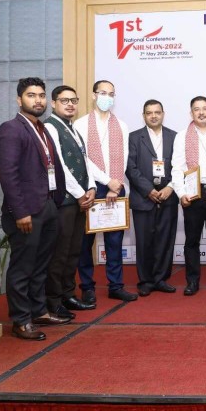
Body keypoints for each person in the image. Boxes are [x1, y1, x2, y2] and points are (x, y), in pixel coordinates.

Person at [0, 77, 70, 341]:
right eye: (31, 95)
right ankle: (20, 320)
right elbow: (8, 174)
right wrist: (20, 212)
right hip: (26, 211)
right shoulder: (11, 129)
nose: (37, 100)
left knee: (41, 266)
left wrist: (56, 201)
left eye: (40, 95)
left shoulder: (42, 129)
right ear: (19, 100)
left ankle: (39, 311)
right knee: (23, 267)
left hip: (48, 205)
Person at [74, 80, 137, 302]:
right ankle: (87, 287)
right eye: (103, 93)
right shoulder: (80, 124)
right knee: (85, 243)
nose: (107, 97)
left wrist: (115, 184)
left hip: (116, 187)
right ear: (93, 95)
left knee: (114, 242)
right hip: (90, 188)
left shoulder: (121, 126)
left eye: (111, 94)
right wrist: (107, 181)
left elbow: (124, 156)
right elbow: (83, 160)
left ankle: (116, 285)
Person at [43, 85, 97, 320]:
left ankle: (68, 294)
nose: (70, 104)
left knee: (74, 250)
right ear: (53, 103)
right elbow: (58, 165)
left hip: (79, 200)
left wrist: (92, 187)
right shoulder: (50, 127)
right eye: (64, 100)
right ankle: (53, 301)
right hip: (64, 201)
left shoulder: (73, 128)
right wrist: (79, 193)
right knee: (60, 253)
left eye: (73, 100)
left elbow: (85, 162)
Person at [170, 96, 206, 296]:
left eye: (205, 109)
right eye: (197, 109)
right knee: (192, 240)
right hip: (193, 193)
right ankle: (192, 281)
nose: (201, 112)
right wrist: (181, 193)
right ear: (191, 113)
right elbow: (177, 168)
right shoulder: (182, 136)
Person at [126, 99, 179, 297]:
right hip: (143, 197)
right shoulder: (133, 137)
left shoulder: (174, 136)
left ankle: (161, 279)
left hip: (168, 195)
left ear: (163, 114)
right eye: (149, 113)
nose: (154, 116)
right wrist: (148, 190)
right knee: (144, 241)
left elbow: (180, 166)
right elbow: (130, 168)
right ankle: (146, 281)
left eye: (157, 112)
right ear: (144, 116)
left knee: (165, 240)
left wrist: (170, 187)